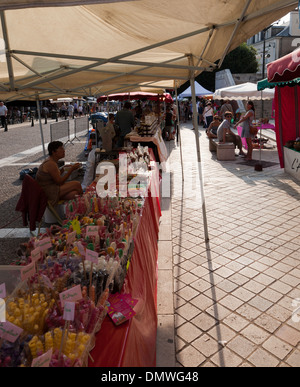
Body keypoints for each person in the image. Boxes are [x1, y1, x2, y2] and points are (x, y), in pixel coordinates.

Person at [36, 141, 83, 206]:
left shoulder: (51, 161)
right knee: (77, 184)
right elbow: (59, 182)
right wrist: (71, 169)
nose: (64, 150)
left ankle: (75, 208)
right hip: (48, 191)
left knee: (75, 194)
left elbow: (53, 175)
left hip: (50, 188)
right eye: (61, 149)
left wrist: (63, 169)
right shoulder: (51, 163)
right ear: (53, 152)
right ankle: (83, 205)